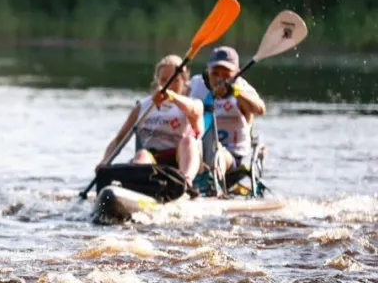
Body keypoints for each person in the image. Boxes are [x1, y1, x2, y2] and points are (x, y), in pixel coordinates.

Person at [98, 54, 204, 186]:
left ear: (184, 81)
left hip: (182, 160)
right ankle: (138, 186)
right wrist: (104, 161)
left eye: (175, 80)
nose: (169, 85)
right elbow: (119, 140)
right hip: (154, 161)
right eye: (164, 80)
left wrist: (172, 96)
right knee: (142, 154)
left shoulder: (194, 104)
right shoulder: (142, 107)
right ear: (158, 81)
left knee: (188, 141)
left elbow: (193, 110)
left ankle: (185, 183)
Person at [189, 46, 266, 179]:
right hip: (200, 149)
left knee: (217, 153)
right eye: (215, 73)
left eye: (226, 75)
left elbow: (260, 109)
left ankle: (211, 184)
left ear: (236, 73)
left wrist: (235, 92)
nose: (220, 79)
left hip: (231, 155)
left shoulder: (241, 88)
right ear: (207, 71)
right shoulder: (195, 85)